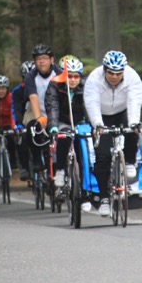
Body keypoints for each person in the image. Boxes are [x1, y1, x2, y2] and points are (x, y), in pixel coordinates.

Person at [84, 50, 142, 217]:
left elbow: (134, 101)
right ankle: (104, 198)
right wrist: (97, 125)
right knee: (102, 155)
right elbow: (92, 103)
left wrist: (133, 122)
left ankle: (130, 161)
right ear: (104, 69)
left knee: (133, 127)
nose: (114, 77)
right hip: (101, 115)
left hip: (122, 111)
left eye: (118, 73)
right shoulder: (94, 79)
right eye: (111, 72)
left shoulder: (133, 78)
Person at [45, 56, 88, 193]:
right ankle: (60, 170)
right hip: (62, 121)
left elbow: (90, 107)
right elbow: (53, 107)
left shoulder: (86, 86)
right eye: (69, 76)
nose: (73, 79)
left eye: (76, 76)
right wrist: (53, 126)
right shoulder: (54, 85)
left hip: (80, 122)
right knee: (65, 136)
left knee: (85, 148)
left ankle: (85, 186)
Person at [24, 44, 63, 173]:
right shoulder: (30, 76)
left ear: (52, 60)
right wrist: (39, 117)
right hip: (36, 109)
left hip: (55, 111)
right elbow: (33, 97)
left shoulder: (58, 73)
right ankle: (36, 159)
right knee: (31, 127)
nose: (41, 61)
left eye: (45, 58)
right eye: (38, 58)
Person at [11, 60, 35, 180]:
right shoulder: (17, 91)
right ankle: (25, 167)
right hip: (26, 118)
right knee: (22, 139)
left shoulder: (46, 87)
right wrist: (18, 124)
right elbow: (17, 109)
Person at [0, 74, 18, 176]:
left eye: (3, 88)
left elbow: (13, 114)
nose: (1, 91)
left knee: (11, 140)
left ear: (7, 89)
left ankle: (13, 161)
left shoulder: (11, 98)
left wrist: (14, 127)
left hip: (8, 124)